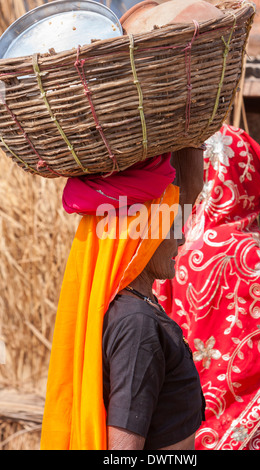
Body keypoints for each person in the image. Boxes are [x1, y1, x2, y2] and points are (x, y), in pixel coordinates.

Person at [40, 148, 205, 450]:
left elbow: (186, 193)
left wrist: (190, 147)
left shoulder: (133, 307)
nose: (182, 239)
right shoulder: (137, 324)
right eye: (172, 227)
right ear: (139, 235)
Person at [154, 124, 260, 450]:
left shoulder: (170, 242)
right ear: (247, 178)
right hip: (248, 419)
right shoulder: (248, 252)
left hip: (180, 424)